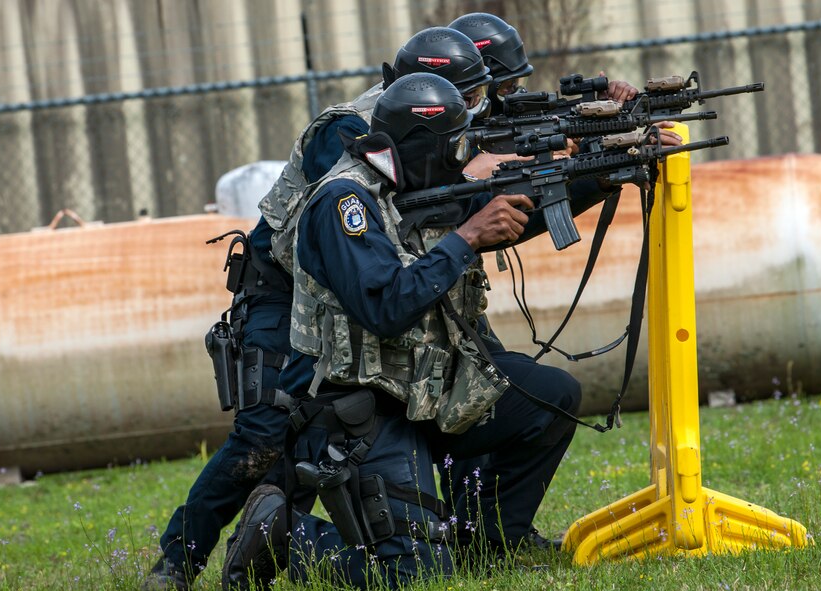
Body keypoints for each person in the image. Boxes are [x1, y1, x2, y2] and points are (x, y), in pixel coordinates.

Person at [221, 69, 632, 590]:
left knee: (549, 399)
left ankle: (488, 546)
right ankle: (286, 536)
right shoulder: (342, 202)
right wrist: (464, 240)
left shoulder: (415, 183)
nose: (464, 157)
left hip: (421, 387)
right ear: (421, 146)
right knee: (412, 578)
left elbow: (506, 213)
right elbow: (386, 305)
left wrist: (599, 174)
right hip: (362, 410)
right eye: (454, 145)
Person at [142, 26, 495, 591]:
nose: (470, 113)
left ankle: (279, 532)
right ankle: (178, 563)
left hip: (339, 297)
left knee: (313, 433)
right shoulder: (351, 130)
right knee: (263, 436)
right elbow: (388, 214)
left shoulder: (428, 128)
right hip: (281, 294)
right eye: (465, 99)